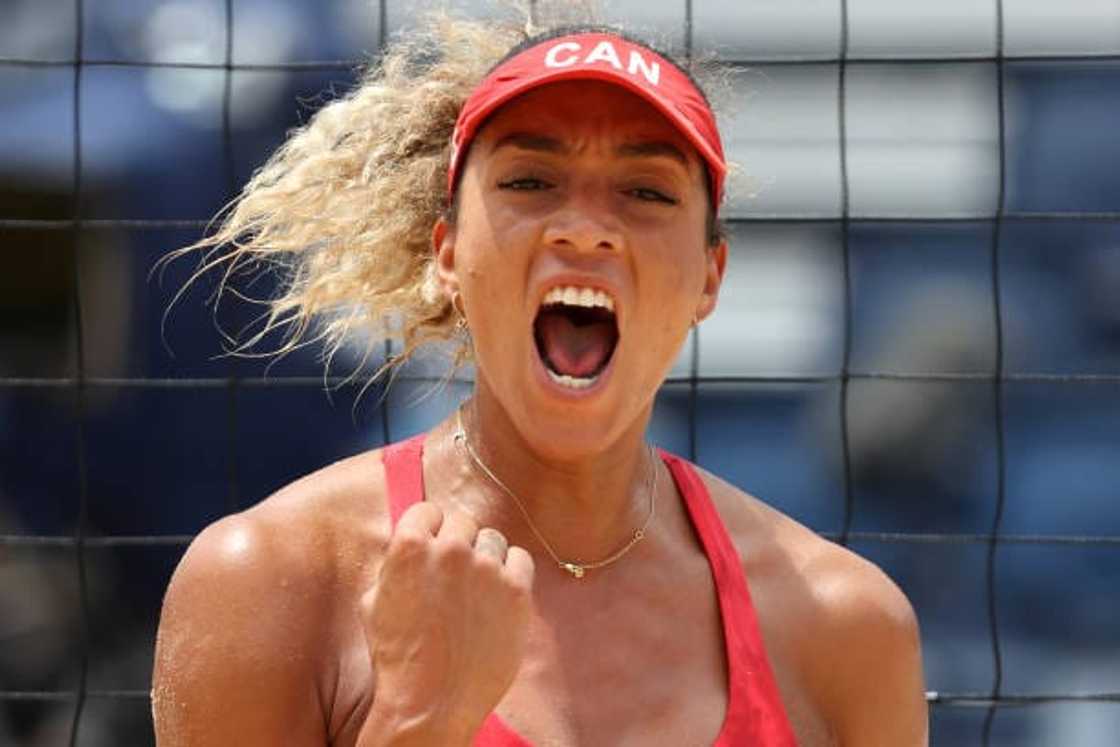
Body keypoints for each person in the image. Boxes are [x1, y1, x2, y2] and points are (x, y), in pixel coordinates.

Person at [152, 11, 928, 747]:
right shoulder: (271, 580)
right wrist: (421, 717)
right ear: (449, 251)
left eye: (647, 191)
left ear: (708, 278)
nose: (584, 225)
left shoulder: (846, 627)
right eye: (530, 181)